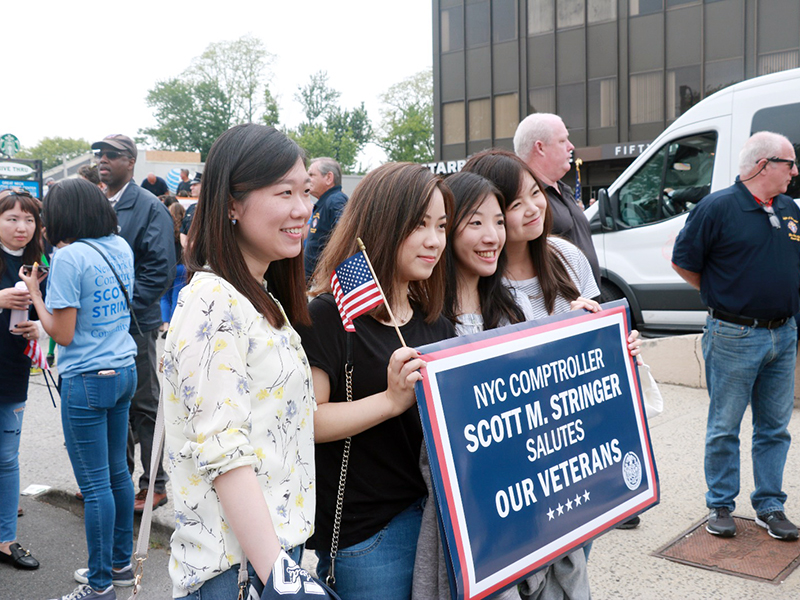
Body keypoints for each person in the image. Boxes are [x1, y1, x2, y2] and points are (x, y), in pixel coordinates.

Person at [463, 149, 642, 597]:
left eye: (536, 195)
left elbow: (597, 354)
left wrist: (614, 341)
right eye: (515, 204)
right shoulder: (478, 276)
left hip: (578, 454)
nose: (534, 209)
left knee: (575, 568)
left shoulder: (566, 256)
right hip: (518, 475)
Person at [162, 124, 316, 598]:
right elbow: (224, 453)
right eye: (284, 191)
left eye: (306, 191)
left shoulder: (257, 294)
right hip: (238, 572)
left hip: (267, 559)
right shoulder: (212, 300)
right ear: (231, 204)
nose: (301, 208)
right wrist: (282, 579)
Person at [295, 163, 455, 599]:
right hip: (367, 536)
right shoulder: (328, 314)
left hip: (433, 522)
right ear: (383, 224)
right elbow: (309, 421)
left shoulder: (434, 322)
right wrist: (390, 400)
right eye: (419, 224)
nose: (434, 240)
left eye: (441, 226)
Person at [672, 131, 800, 541]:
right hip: (733, 335)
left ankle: (770, 506)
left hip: (784, 334)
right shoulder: (717, 208)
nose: (795, 172)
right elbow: (684, 262)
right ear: (763, 165)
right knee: (725, 425)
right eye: (789, 163)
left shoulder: (789, 207)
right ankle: (721, 505)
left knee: (775, 428)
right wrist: (721, 294)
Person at [413, 171, 529, 600]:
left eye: (499, 221)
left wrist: (602, 337)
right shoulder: (425, 322)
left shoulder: (510, 311)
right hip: (464, 519)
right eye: (475, 222)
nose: (492, 235)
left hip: (520, 507)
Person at [20, 178, 137, 600]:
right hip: (124, 369)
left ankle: (101, 583)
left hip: (86, 378)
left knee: (95, 485)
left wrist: (35, 292)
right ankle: (120, 566)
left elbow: (62, 333)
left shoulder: (70, 257)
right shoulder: (118, 246)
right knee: (118, 474)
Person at [91, 134, 176, 513]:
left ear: (132, 161)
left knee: (144, 405)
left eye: (113, 155)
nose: (103, 160)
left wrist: (122, 310)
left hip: (135, 324)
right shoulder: (98, 204)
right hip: (103, 325)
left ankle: (154, 484)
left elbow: (160, 271)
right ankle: (117, 482)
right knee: (114, 405)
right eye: (100, 154)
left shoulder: (147, 207)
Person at [0, 189, 44, 572]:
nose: (21, 227)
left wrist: (37, 330)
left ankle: (6, 539)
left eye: (28, 219)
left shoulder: (38, 262)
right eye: (12, 218)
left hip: (13, 371)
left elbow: (50, 316)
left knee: (7, 458)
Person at [514, 113, 600, 286]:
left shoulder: (562, 189)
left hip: (586, 303)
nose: (571, 146)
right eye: (562, 141)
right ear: (540, 147)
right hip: (562, 307)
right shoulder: (521, 198)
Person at [305, 157, 348, 281]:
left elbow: (345, 236)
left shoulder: (336, 200)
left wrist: (325, 269)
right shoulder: (327, 201)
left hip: (320, 281)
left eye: (312, 175)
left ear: (329, 178)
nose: (307, 179)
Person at [159, 202, 186, 337]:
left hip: (168, 266)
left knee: (164, 297)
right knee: (177, 296)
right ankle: (174, 327)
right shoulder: (185, 228)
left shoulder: (166, 227)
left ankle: (165, 326)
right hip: (182, 266)